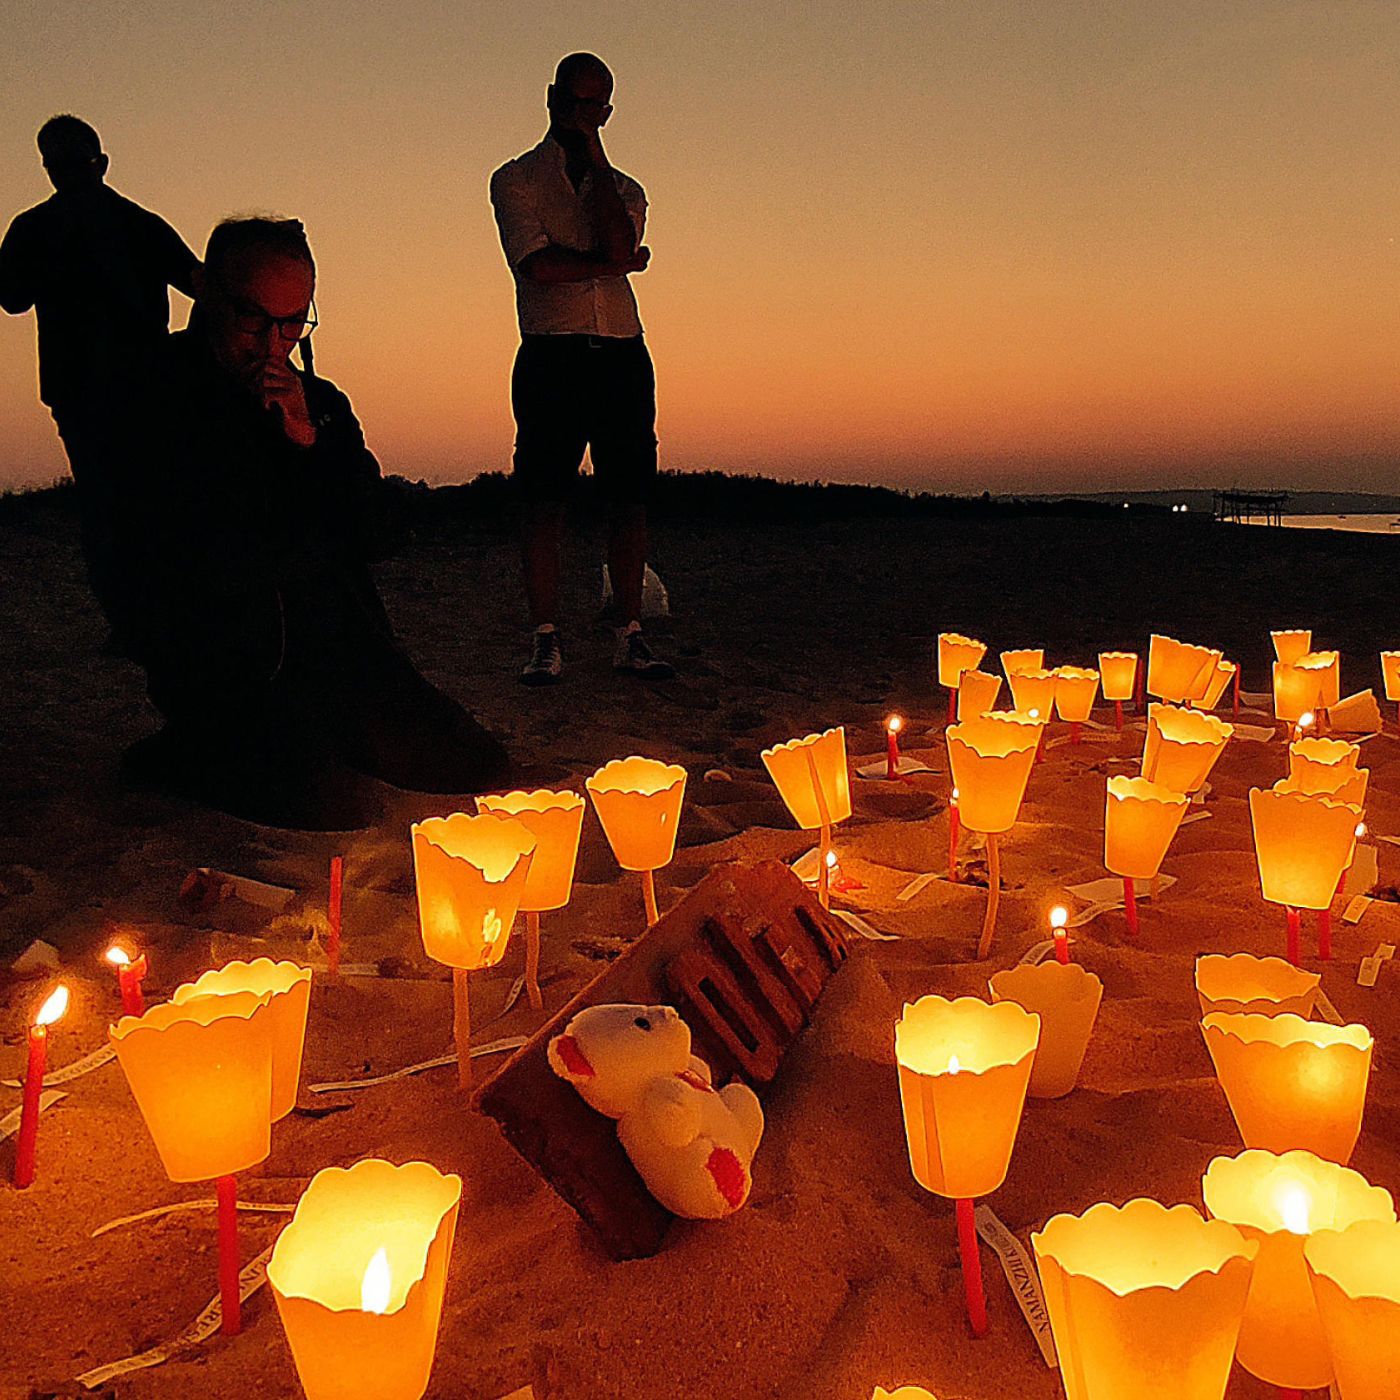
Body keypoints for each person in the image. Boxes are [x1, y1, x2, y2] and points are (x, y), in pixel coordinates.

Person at [119, 216, 510, 829]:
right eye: (254, 319)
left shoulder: (319, 403)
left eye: (293, 323)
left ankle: (331, 733)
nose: (274, 343)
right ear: (208, 297)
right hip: (229, 662)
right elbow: (185, 552)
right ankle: (182, 751)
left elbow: (376, 529)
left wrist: (307, 441)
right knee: (329, 803)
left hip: (343, 655)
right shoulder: (150, 393)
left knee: (479, 767)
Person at [490, 52, 674, 686]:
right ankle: (545, 637)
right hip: (551, 352)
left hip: (622, 350)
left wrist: (596, 172)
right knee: (544, 500)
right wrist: (615, 262)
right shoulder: (514, 180)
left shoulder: (624, 188)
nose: (583, 115)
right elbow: (536, 267)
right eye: (575, 101)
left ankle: (629, 632)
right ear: (551, 98)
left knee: (629, 499)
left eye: (597, 106)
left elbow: (616, 245)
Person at [0, 115, 198, 629]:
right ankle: (151, 612)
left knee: (109, 505)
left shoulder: (36, 227)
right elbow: (202, 283)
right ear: (102, 164)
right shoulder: (137, 223)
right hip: (131, 387)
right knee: (145, 500)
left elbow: (12, 298)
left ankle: (130, 615)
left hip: (91, 390)